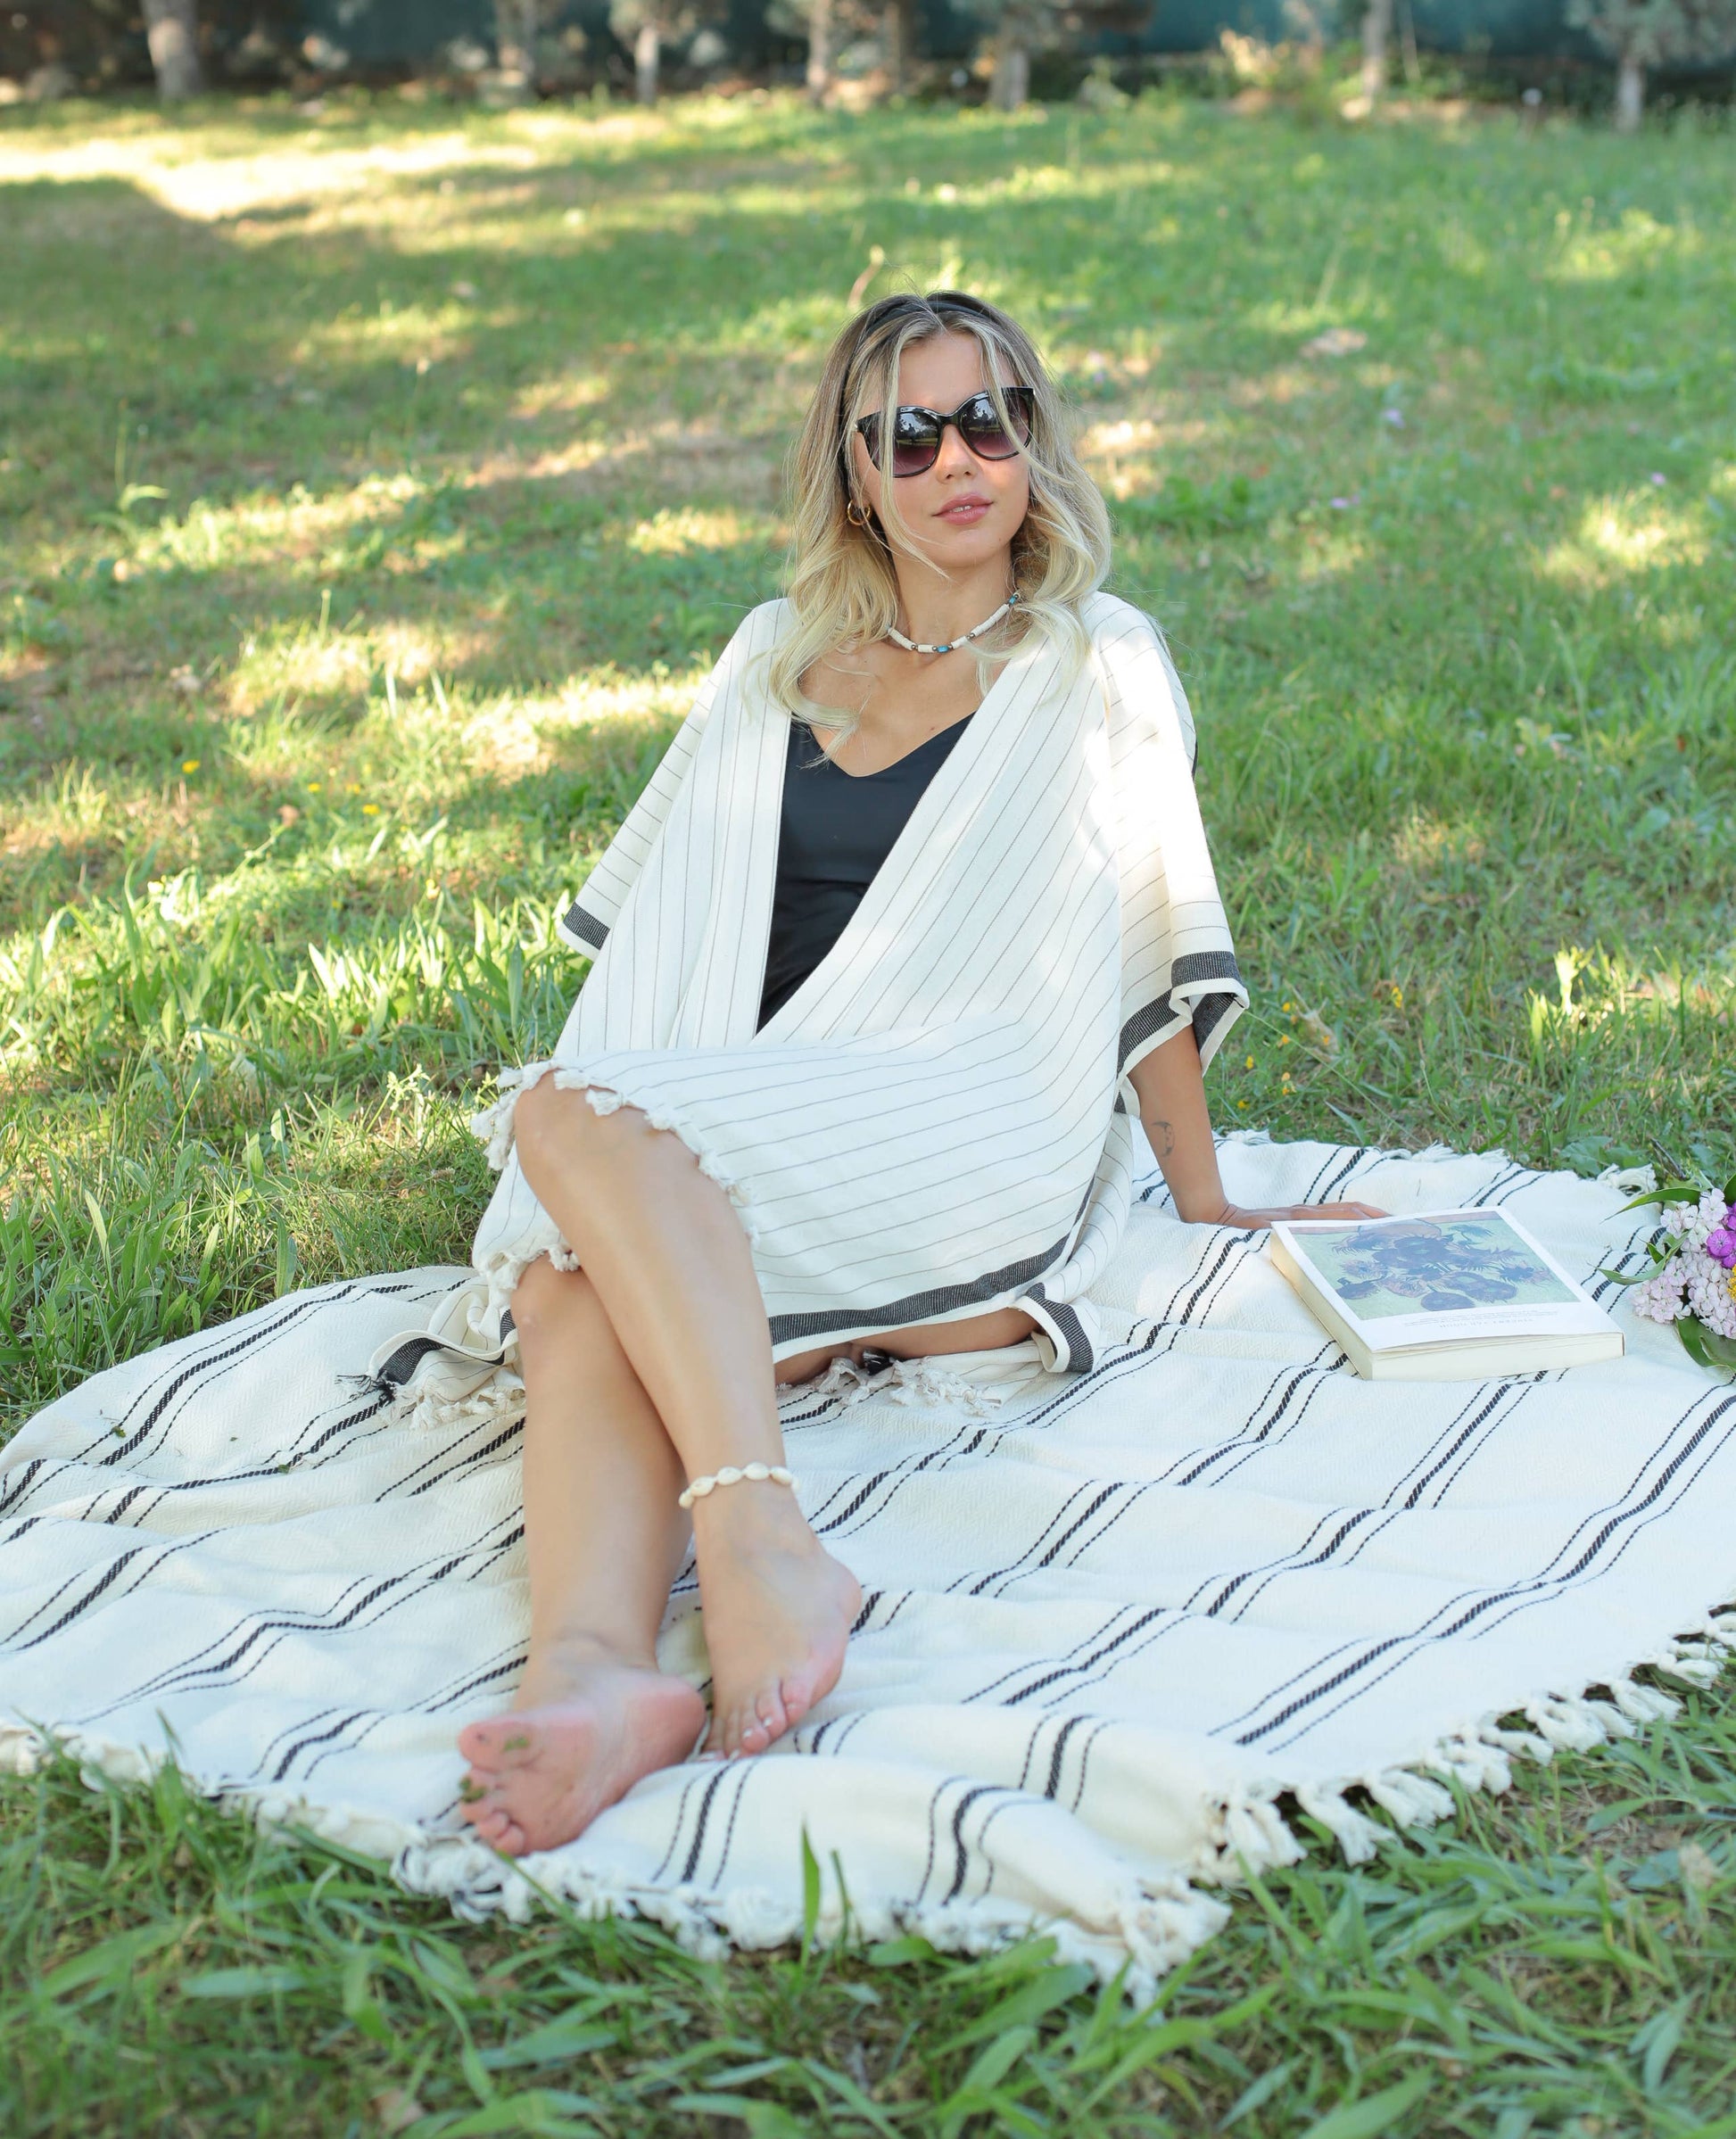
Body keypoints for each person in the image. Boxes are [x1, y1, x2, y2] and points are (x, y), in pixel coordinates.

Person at [453, 291, 1383, 1857]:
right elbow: (669, 930)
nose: (958, 460)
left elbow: (1143, 945)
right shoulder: (773, 656)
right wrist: (663, 1123)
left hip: (953, 1130)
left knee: (565, 1130)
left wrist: (1206, 1192)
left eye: (990, 421)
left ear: (1033, 443)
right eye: (909, 432)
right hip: (739, 1107)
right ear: (853, 468)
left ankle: (756, 1541)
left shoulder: (1096, 660)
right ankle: (593, 1676)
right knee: (568, 1269)